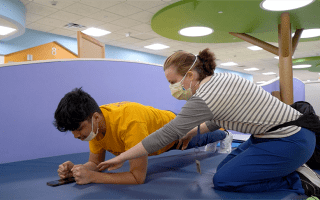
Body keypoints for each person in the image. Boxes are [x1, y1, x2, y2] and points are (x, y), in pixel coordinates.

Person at [97, 48, 320, 198]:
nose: (172, 88)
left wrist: (121, 157)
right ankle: (291, 166)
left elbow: (164, 135)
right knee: (223, 169)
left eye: (173, 82)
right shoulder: (223, 79)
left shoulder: (205, 95)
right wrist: (192, 131)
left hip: (290, 140)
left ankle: (299, 180)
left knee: (224, 180)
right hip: (278, 135)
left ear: (191, 76)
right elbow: (219, 119)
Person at [53, 88, 232, 185]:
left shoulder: (129, 123)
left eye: (78, 128)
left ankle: (225, 133)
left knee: (208, 136)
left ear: (96, 118)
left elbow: (137, 177)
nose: (76, 135)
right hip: (156, 122)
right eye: (72, 131)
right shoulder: (96, 126)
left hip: (175, 132)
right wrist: (77, 169)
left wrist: (92, 177)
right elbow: (95, 164)